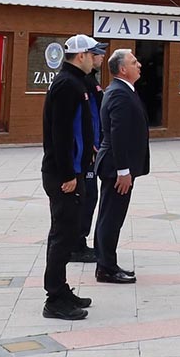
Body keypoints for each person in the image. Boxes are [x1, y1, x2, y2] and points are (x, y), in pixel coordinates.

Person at [39, 33, 101, 320]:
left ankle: (62, 289)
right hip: (64, 173)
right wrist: (68, 174)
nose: (95, 59)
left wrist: (87, 145)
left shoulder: (75, 82)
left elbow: (77, 127)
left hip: (74, 168)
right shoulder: (67, 84)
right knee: (62, 236)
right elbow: (60, 134)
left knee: (67, 231)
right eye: (92, 54)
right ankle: (54, 299)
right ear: (81, 56)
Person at [94, 48, 150, 285]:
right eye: (134, 62)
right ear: (122, 69)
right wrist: (123, 170)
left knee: (111, 215)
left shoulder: (124, 90)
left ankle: (106, 263)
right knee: (111, 217)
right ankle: (106, 268)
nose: (139, 65)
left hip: (118, 166)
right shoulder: (119, 93)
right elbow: (117, 134)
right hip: (116, 168)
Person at [72, 42, 106, 264]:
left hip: (91, 148)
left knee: (90, 196)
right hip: (85, 152)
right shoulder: (81, 82)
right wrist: (92, 143)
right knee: (85, 197)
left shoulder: (90, 80)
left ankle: (79, 242)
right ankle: (76, 245)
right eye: (98, 54)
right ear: (85, 56)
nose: (102, 58)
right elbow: (87, 118)